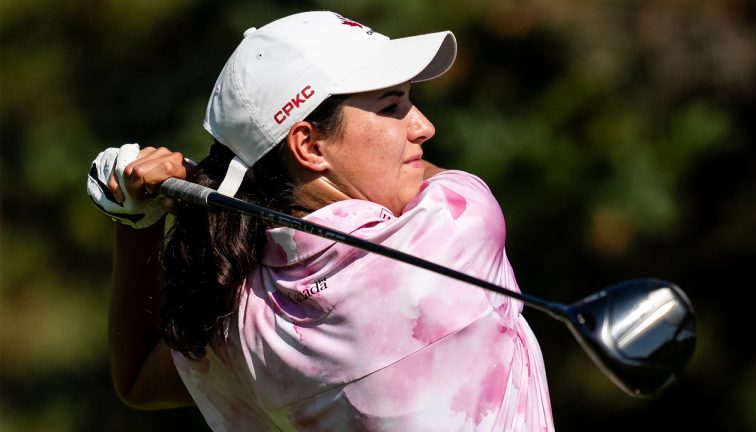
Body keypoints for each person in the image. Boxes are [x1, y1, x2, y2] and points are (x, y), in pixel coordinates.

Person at [87, 10, 555, 431]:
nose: (423, 126)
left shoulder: (242, 317)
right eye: (393, 106)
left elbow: (137, 379)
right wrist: (202, 178)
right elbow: (429, 182)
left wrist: (137, 219)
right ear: (309, 146)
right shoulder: (456, 225)